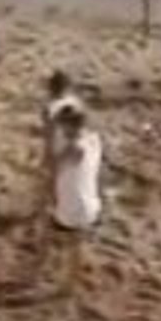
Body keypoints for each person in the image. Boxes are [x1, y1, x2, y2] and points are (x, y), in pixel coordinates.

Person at [43, 71, 102, 231]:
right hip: (93, 211)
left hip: (68, 218)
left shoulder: (71, 149)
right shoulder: (95, 141)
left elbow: (53, 165)